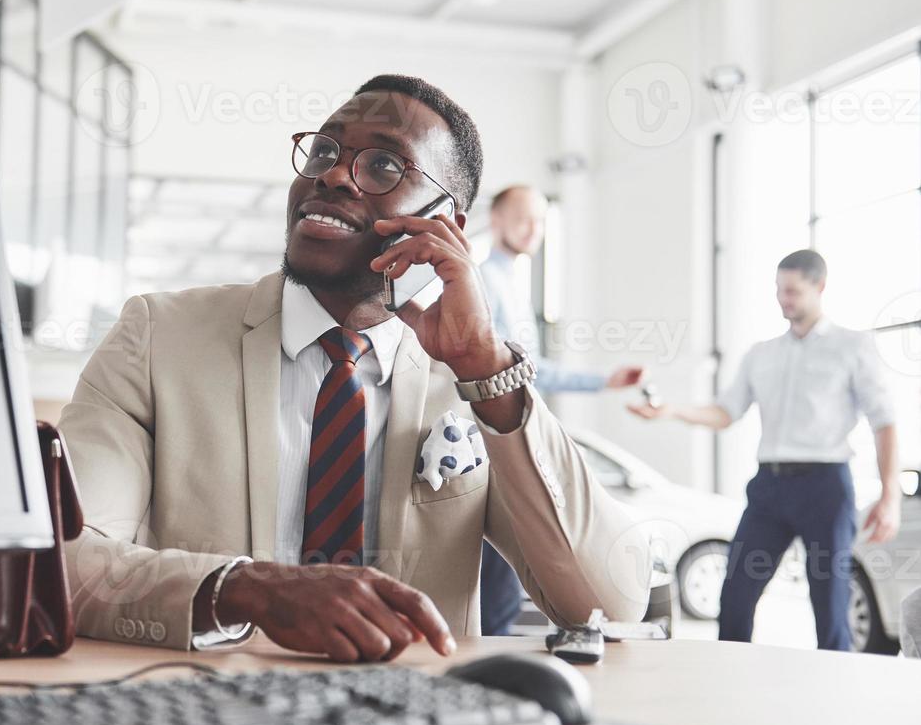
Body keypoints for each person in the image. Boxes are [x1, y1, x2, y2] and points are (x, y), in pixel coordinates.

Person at [58, 74, 650, 663]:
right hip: (203, 723)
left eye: (386, 166)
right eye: (324, 151)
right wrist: (245, 590)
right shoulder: (159, 338)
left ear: (448, 223)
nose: (334, 174)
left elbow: (610, 603)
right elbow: (65, 558)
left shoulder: (471, 380)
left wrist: (489, 374)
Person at [629, 249, 899, 651]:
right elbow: (725, 412)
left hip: (825, 487)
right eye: (778, 290)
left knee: (830, 601)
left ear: (819, 287)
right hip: (770, 488)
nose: (783, 299)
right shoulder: (762, 354)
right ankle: (731, 680)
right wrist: (670, 411)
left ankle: (838, 691)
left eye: (792, 291)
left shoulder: (852, 347)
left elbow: (884, 421)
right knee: (736, 593)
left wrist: (890, 495)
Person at [477, 185, 646, 636]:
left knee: (506, 586)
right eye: (522, 219)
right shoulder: (483, 282)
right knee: (496, 587)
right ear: (496, 221)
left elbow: (530, 371)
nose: (533, 230)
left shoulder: (512, 285)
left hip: (516, 436)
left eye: (540, 221)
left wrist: (603, 381)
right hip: (492, 443)